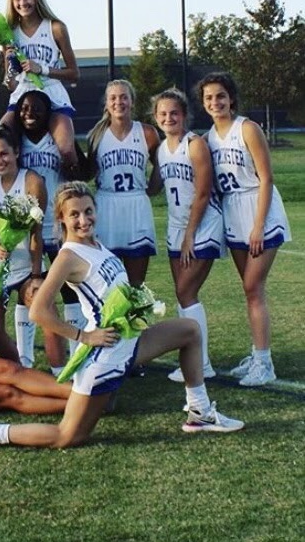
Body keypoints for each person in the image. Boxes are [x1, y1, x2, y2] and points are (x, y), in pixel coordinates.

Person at [0, 181, 244, 450]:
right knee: (67, 437)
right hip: (105, 354)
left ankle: (200, 412)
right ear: (62, 219)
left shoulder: (97, 243)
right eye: (74, 214)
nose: (83, 219)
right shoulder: (69, 255)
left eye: (88, 211)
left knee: (189, 330)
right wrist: (84, 336)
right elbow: (39, 311)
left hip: (129, 342)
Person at [201, 72, 291, 387]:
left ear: (231, 98)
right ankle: (257, 355)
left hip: (258, 210)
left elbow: (266, 178)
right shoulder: (208, 138)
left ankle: (265, 364)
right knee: (250, 291)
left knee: (254, 288)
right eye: (209, 97)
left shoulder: (247, 129)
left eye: (221, 96)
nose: (215, 102)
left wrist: (258, 226)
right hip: (232, 213)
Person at [150, 88, 224, 382]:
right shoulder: (160, 149)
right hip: (175, 224)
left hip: (202, 224)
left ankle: (201, 363)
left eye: (174, 113)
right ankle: (193, 360)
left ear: (184, 116)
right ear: (156, 118)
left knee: (186, 292)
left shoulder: (194, 145)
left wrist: (191, 235)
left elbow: (204, 193)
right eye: (163, 114)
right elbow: (154, 186)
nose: (169, 118)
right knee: (183, 296)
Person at [16, 88, 85, 373]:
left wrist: (71, 161)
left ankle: (78, 355)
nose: (29, 113)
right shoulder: (15, 142)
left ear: (48, 114)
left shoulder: (58, 141)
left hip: (58, 228)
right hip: (28, 228)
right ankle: (24, 360)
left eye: (36, 108)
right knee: (27, 292)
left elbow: (82, 171)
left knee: (71, 290)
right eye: (24, 108)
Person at [0, 126, 46, 364]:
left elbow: (37, 233)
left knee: (47, 318)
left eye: (4, 153)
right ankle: (20, 368)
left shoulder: (32, 181)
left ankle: (62, 373)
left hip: (26, 268)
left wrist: (36, 275)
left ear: (16, 151)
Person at [0, 0, 80, 172]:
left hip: (51, 91)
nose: (22, 3)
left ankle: (74, 188)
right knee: (1, 138)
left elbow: (74, 74)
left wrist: (42, 69)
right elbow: (11, 85)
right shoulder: (9, 33)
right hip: (23, 94)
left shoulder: (56, 28)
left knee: (67, 149)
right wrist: (10, 64)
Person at [87, 79, 159, 287]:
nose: (119, 102)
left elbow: (161, 165)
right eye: (113, 98)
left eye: (124, 97)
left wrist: (152, 189)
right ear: (107, 104)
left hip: (136, 204)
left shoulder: (147, 132)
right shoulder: (97, 135)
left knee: (136, 283)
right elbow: (89, 172)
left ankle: (137, 319)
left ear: (132, 102)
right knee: (108, 283)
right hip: (107, 205)